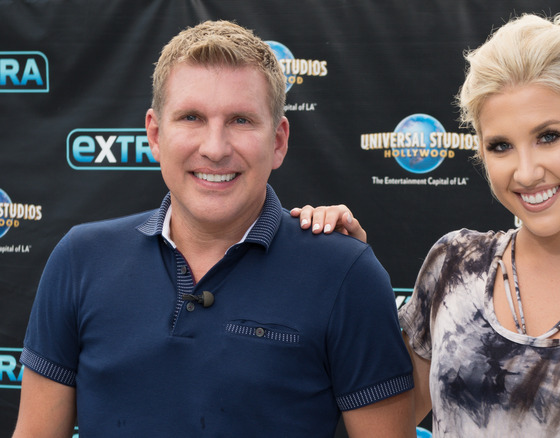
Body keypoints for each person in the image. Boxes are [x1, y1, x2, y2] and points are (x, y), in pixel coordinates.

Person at [293, 12, 560, 437]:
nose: (525, 173)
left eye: (548, 136)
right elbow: (385, 419)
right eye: (501, 146)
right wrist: (346, 272)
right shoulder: (454, 263)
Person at [13, 20, 414, 438]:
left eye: (241, 120)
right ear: (154, 134)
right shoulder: (79, 259)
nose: (215, 148)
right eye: (191, 117)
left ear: (278, 141)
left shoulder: (347, 273)